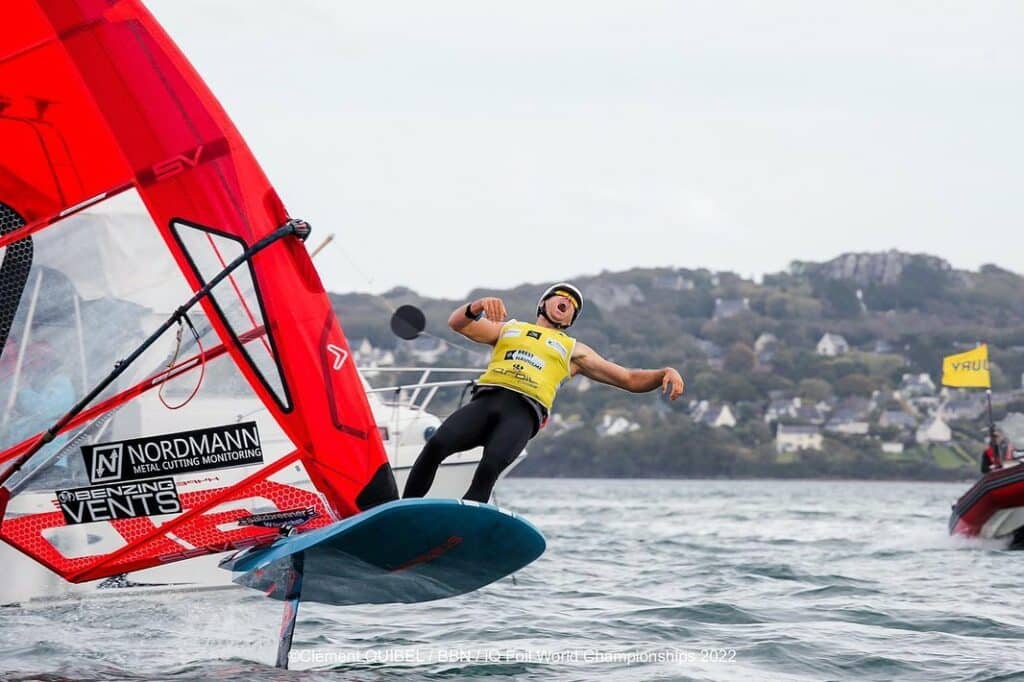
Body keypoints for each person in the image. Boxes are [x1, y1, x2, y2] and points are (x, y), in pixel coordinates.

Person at [402, 282, 685, 502]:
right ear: (543, 304)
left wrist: (663, 373)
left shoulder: (574, 350)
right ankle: (402, 514)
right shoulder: (509, 329)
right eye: (562, 296)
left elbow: (628, 379)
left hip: (522, 414)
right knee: (436, 445)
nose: (568, 301)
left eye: (574, 304)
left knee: (489, 468)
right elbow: (457, 324)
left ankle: (459, 534)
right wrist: (477, 306)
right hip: (488, 400)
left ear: (571, 318)